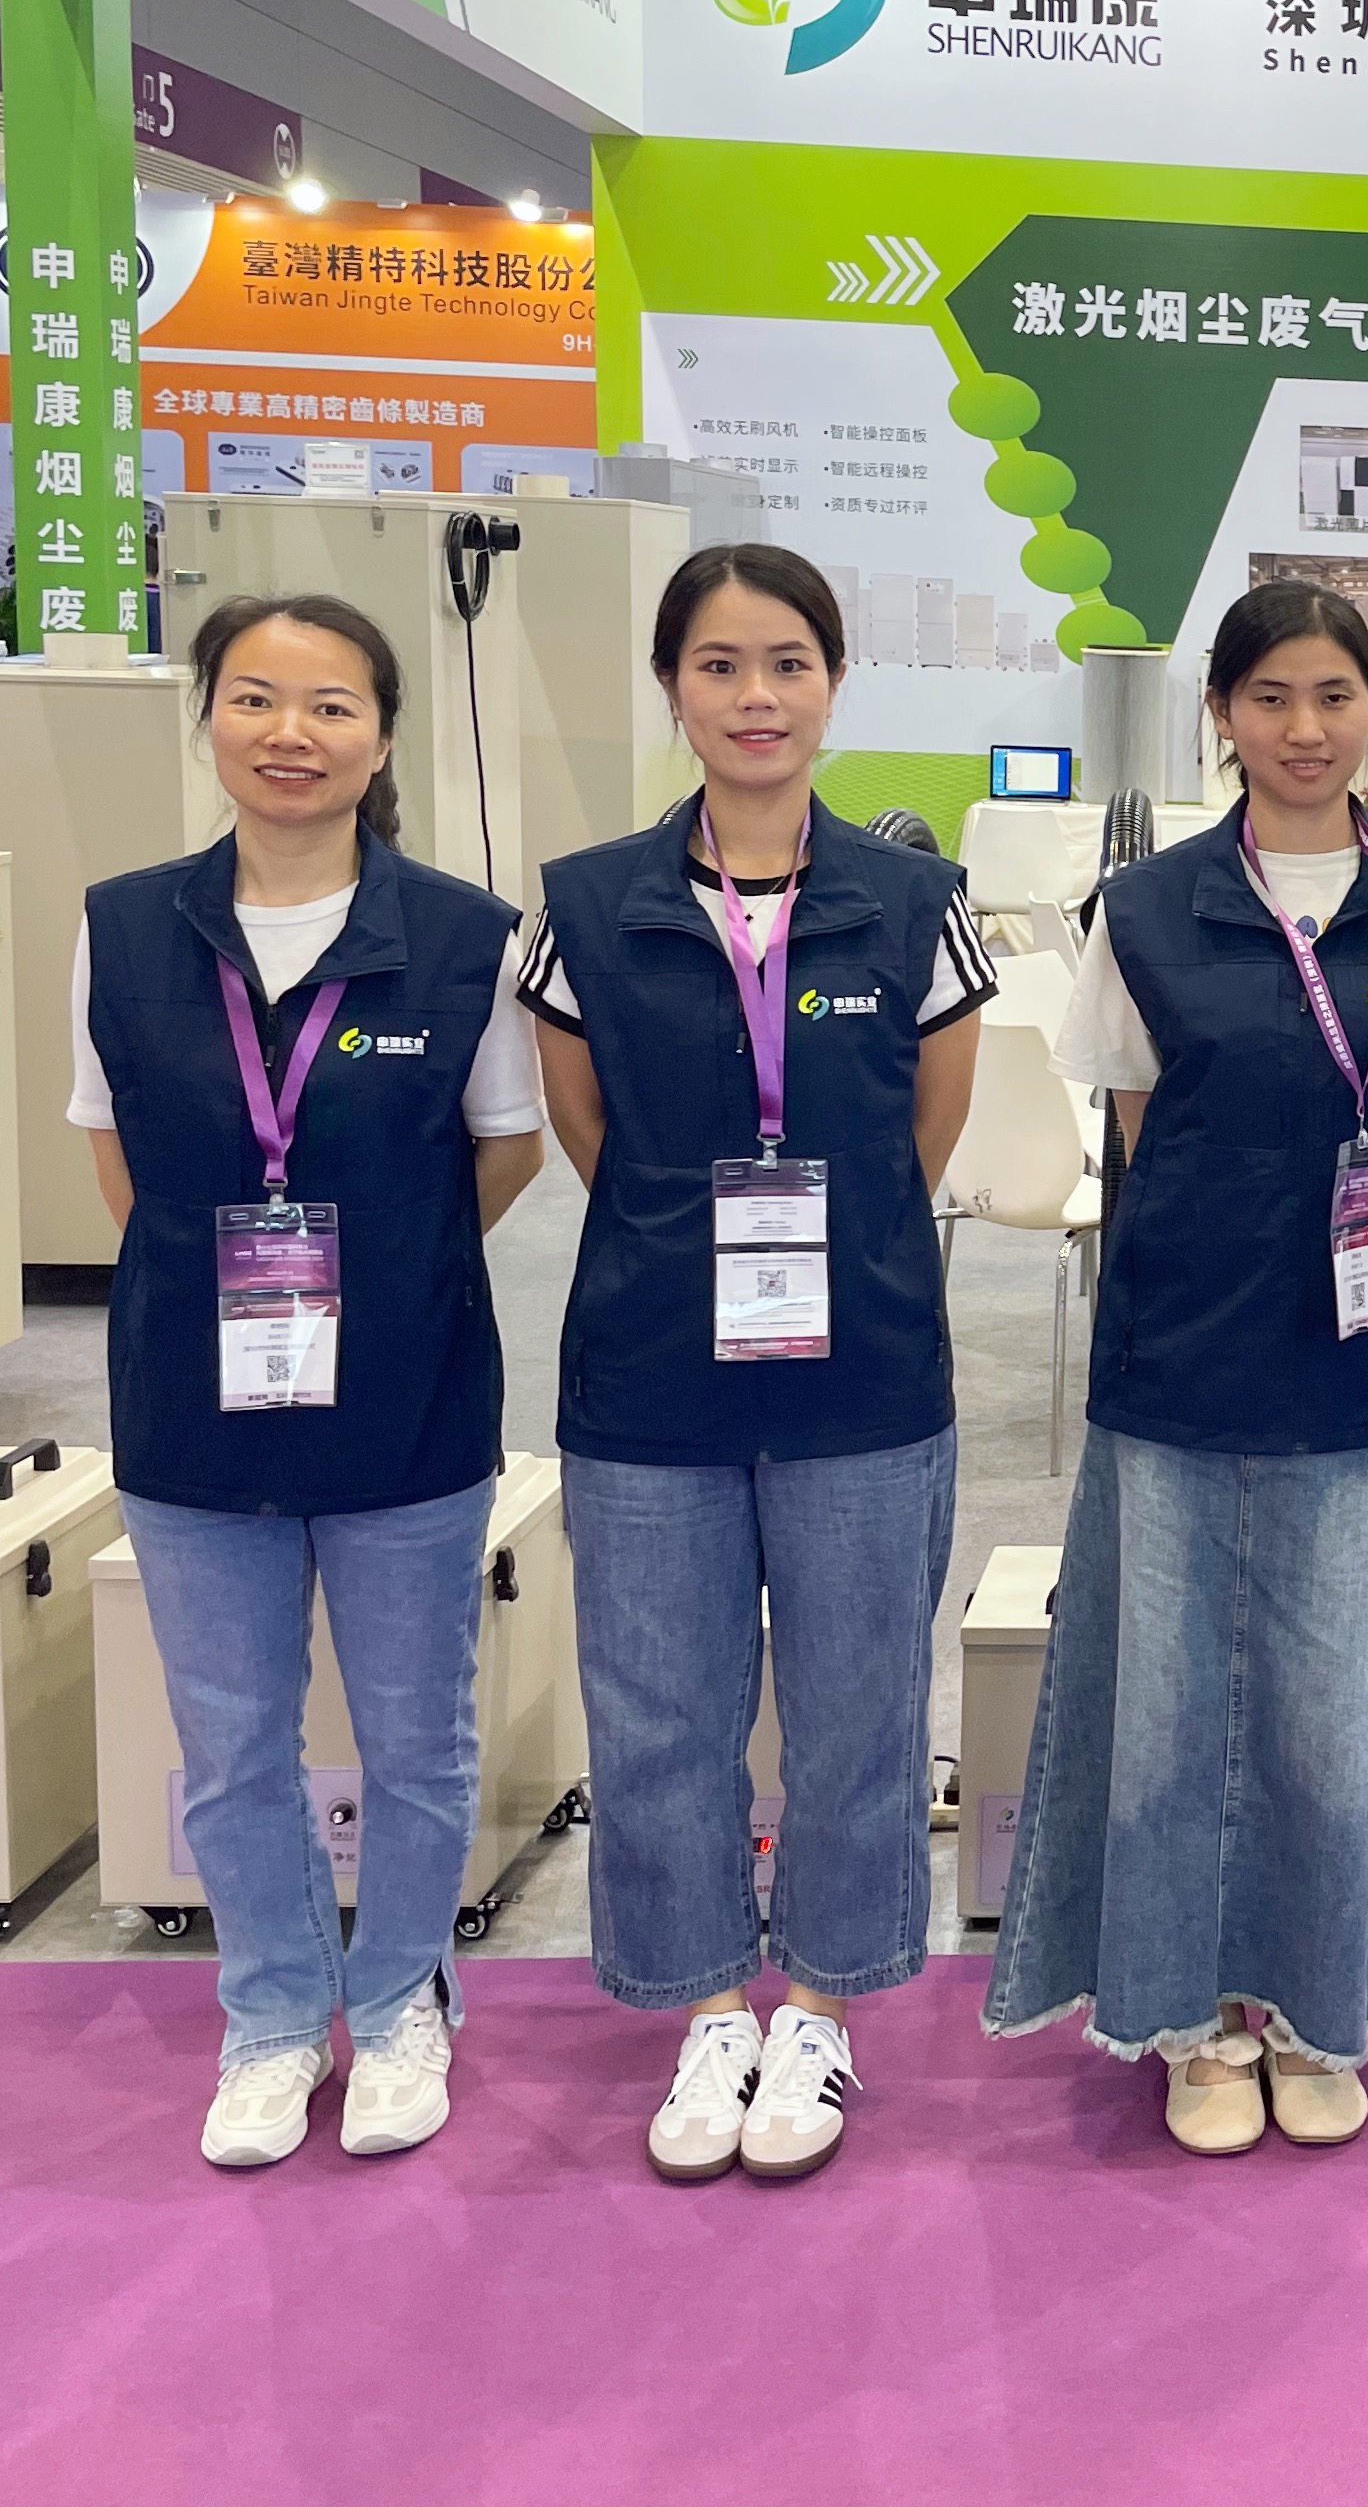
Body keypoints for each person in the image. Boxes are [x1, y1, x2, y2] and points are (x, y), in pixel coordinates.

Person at [987, 580, 1368, 2156]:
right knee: (1168, 1715)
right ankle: (1191, 2016)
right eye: (1270, 696)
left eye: (1334, 695)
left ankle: (1306, 2002)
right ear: (1221, 713)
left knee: (1330, 1712)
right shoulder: (1146, 912)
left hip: (1358, 1366)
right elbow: (1139, 1130)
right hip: (1179, 1360)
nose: (1304, 727)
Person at [524, 544, 991, 2185]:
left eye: (788, 662)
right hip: (652, 1369)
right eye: (719, 665)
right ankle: (708, 2002)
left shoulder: (917, 904)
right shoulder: (588, 904)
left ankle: (823, 2006)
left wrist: (824, 1245)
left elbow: (925, 1131)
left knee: (858, 1708)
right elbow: (587, 1128)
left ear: (834, 684)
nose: (755, 696)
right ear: (674, 687)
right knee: (661, 1710)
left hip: (863, 1373)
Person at [72, 595, 543, 2168]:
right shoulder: (125, 928)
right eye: (256, 698)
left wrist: (392, 1277)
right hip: (191, 1408)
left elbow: (503, 1152)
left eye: (332, 705)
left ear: (382, 737)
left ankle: (402, 1999)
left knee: (417, 1740)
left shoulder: (467, 939)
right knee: (230, 1750)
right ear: (208, 716)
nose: (292, 733)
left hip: (408, 1402)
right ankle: (273, 2014)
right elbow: (117, 1158)